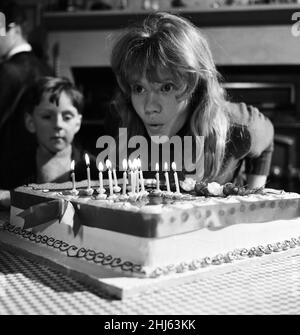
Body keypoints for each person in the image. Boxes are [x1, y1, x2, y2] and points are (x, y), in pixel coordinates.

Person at [110, 12, 274, 188]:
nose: (149, 107)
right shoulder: (124, 120)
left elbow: (267, 135)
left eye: (166, 87)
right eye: (139, 88)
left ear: (197, 86)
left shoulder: (237, 128)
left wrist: (254, 192)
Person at [0, 76, 98, 207]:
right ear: (30, 122)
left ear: (78, 123)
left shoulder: (94, 170)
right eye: (47, 116)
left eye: (67, 117)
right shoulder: (11, 168)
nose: (58, 124)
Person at [0, 1, 53, 206]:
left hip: (6, 182)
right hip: (39, 178)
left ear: (13, 28)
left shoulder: (7, 72)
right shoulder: (46, 68)